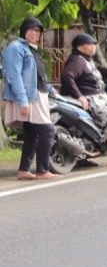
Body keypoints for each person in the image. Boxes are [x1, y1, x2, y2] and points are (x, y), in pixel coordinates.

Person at [59, 32, 107, 166]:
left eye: (94, 44)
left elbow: (97, 67)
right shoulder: (77, 61)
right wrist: (80, 96)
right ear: (80, 47)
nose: (93, 47)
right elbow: (67, 76)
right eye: (90, 45)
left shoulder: (86, 60)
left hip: (95, 96)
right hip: (90, 98)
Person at [4, 17, 57, 179]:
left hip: (38, 95)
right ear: (24, 30)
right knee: (48, 131)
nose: (35, 34)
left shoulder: (31, 49)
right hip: (29, 97)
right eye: (32, 30)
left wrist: (51, 90)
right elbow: (14, 75)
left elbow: (36, 76)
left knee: (32, 134)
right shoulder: (16, 47)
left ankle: (23, 170)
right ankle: (42, 170)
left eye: (38, 31)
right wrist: (22, 101)